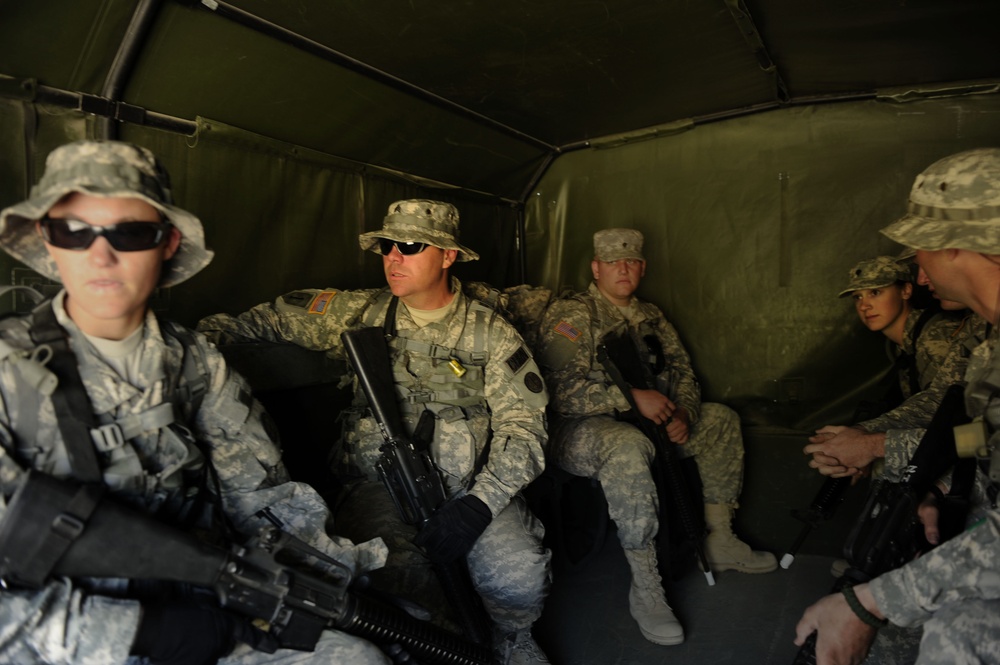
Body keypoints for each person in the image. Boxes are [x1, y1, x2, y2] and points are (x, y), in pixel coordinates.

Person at [0, 140, 392, 664]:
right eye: (73, 231)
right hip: (62, 638)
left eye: (130, 231)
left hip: (205, 606)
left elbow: (262, 502)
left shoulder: (194, 363)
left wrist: (343, 592)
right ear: (47, 242)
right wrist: (145, 633)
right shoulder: (8, 373)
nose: (101, 254)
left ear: (167, 243)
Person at [197, 199, 552, 665]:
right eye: (386, 245)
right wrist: (200, 340)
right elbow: (278, 317)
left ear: (448, 256)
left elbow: (525, 429)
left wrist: (478, 505)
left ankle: (512, 639)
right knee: (392, 585)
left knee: (518, 575)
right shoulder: (362, 312)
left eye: (410, 245)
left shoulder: (490, 334)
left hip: (474, 486)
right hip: (380, 485)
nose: (393, 257)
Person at [794, 147, 1000, 665]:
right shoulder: (992, 347)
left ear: (954, 244)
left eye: (918, 249)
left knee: (957, 634)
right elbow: (979, 432)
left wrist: (872, 605)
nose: (920, 269)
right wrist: (949, 486)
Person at [534, 228, 776, 647]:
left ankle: (720, 539)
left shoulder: (651, 316)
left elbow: (684, 374)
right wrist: (628, 398)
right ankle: (646, 584)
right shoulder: (575, 315)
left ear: (642, 268)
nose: (622, 269)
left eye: (631, 262)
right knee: (629, 448)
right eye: (612, 262)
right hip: (580, 430)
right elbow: (554, 392)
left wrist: (684, 412)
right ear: (596, 268)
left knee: (719, 419)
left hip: (652, 424)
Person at [804, 256, 971, 483]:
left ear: (906, 291)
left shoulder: (935, 336)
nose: (864, 305)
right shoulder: (899, 346)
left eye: (875, 292)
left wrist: (866, 441)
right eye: (857, 297)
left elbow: (943, 410)